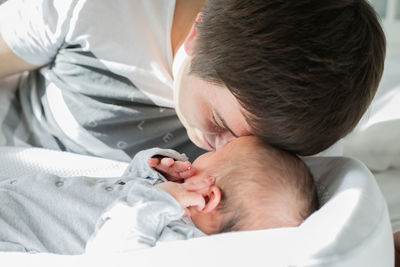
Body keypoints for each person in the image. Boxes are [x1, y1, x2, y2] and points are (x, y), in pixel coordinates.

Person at [0, 0, 394, 258]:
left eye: (249, 142)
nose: (212, 148)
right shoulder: (93, 9)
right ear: (197, 33)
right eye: (220, 123)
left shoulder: (300, 136)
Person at [0, 136, 317, 254]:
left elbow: (110, 250)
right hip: (17, 196)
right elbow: (127, 185)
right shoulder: (170, 202)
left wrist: (162, 199)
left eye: (214, 155)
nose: (197, 157)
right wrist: (154, 167)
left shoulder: (174, 244)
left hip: (15, 232)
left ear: (207, 195)